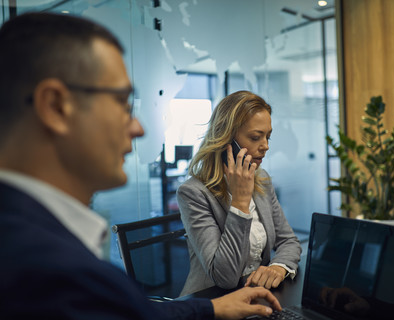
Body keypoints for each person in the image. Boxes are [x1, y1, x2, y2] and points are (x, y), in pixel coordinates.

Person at [0, 12, 282, 319]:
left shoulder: (38, 243)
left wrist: (210, 309)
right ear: (55, 106)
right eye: (123, 103)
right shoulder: (51, 274)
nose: (139, 128)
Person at [177, 90, 302, 296]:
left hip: (256, 295)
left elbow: (288, 240)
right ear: (226, 139)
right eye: (255, 137)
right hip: (211, 301)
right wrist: (241, 202)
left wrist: (278, 266)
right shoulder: (193, 193)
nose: (265, 146)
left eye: (268, 137)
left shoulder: (262, 180)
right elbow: (225, 278)